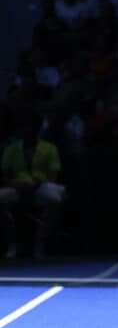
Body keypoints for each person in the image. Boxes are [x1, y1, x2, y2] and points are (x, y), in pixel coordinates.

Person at [1, 110, 67, 260]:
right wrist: (17, 185)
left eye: (32, 127)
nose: (29, 130)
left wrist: (38, 184)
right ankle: (13, 243)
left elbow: (53, 177)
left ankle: (40, 243)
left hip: (42, 187)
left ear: (38, 129)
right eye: (25, 127)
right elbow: (5, 176)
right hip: (17, 188)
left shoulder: (50, 149)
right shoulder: (11, 149)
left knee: (55, 200)